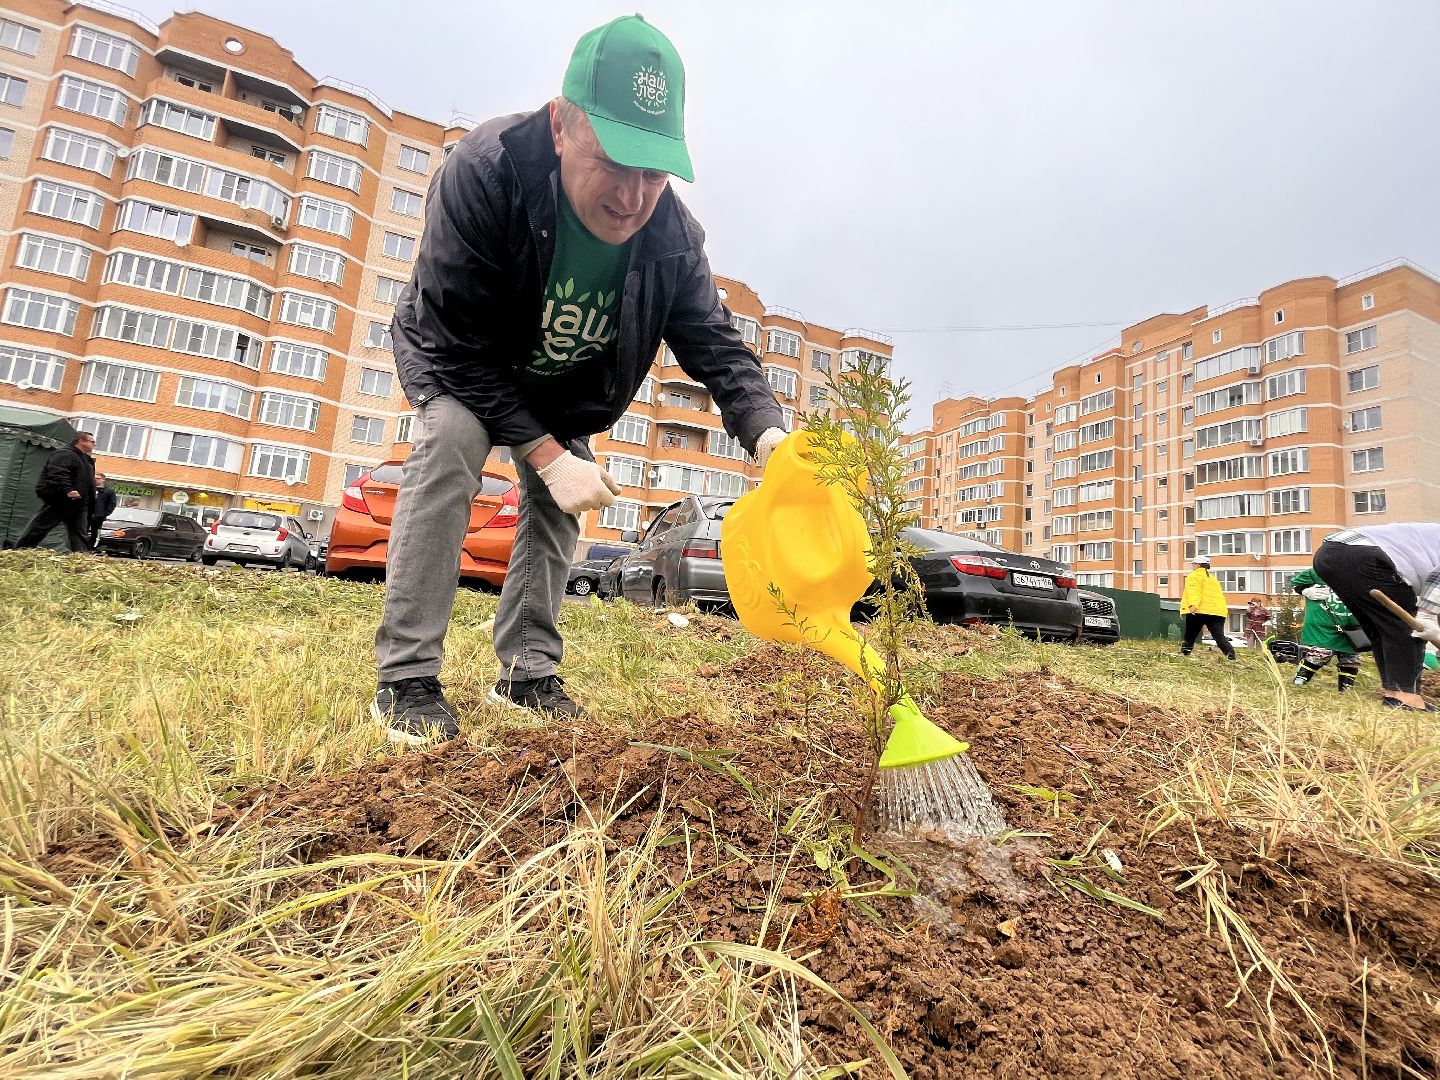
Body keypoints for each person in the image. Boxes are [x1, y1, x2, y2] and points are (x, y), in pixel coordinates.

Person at [371, 15, 787, 745]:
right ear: (562, 125)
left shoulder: (672, 235)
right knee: (451, 440)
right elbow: (456, 345)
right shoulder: (485, 172)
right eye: (612, 164)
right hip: (462, 360)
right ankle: (407, 678)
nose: (632, 197)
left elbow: (715, 342)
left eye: (653, 174)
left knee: (565, 494)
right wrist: (541, 453)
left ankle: (527, 675)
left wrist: (772, 436)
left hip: (562, 383)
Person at [1313, 524, 1440, 711]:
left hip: (1332, 554)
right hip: (1365, 555)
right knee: (1408, 628)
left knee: (1381, 629)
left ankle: (1394, 694)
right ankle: (1406, 698)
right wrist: (1427, 617)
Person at [16, 432, 96, 553]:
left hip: (79, 503)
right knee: (40, 527)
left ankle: (81, 558)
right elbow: (58, 473)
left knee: (79, 533)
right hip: (61, 500)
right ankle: (20, 550)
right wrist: (68, 490)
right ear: (81, 441)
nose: (94, 444)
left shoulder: (84, 458)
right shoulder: (65, 454)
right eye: (92, 442)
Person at [1287, 568, 1362, 692]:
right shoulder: (1317, 572)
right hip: (1323, 624)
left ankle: (1346, 690)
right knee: (1320, 654)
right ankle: (1298, 683)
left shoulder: (1360, 573)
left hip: (1351, 626)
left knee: (1350, 658)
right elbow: (1295, 585)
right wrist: (1305, 591)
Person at [1180, 555, 1236, 660]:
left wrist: (1193, 605)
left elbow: (1194, 591)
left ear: (1197, 565)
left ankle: (1184, 655)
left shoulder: (1193, 576)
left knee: (1190, 636)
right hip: (1217, 612)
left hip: (1199, 611)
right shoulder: (1213, 579)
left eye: (1193, 564)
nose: (1192, 566)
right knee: (1219, 638)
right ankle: (1231, 657)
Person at [90, 472, 118, 551]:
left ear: (103, 480)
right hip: (86, 515)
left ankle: (94, 548)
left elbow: (112, 504)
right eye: (94, 478)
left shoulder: (109, 492)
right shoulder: (89, 489)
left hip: (99, 517)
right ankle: (83, 547)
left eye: (98, 478)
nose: (95, 480)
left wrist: (104, 514)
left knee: (96, 533)